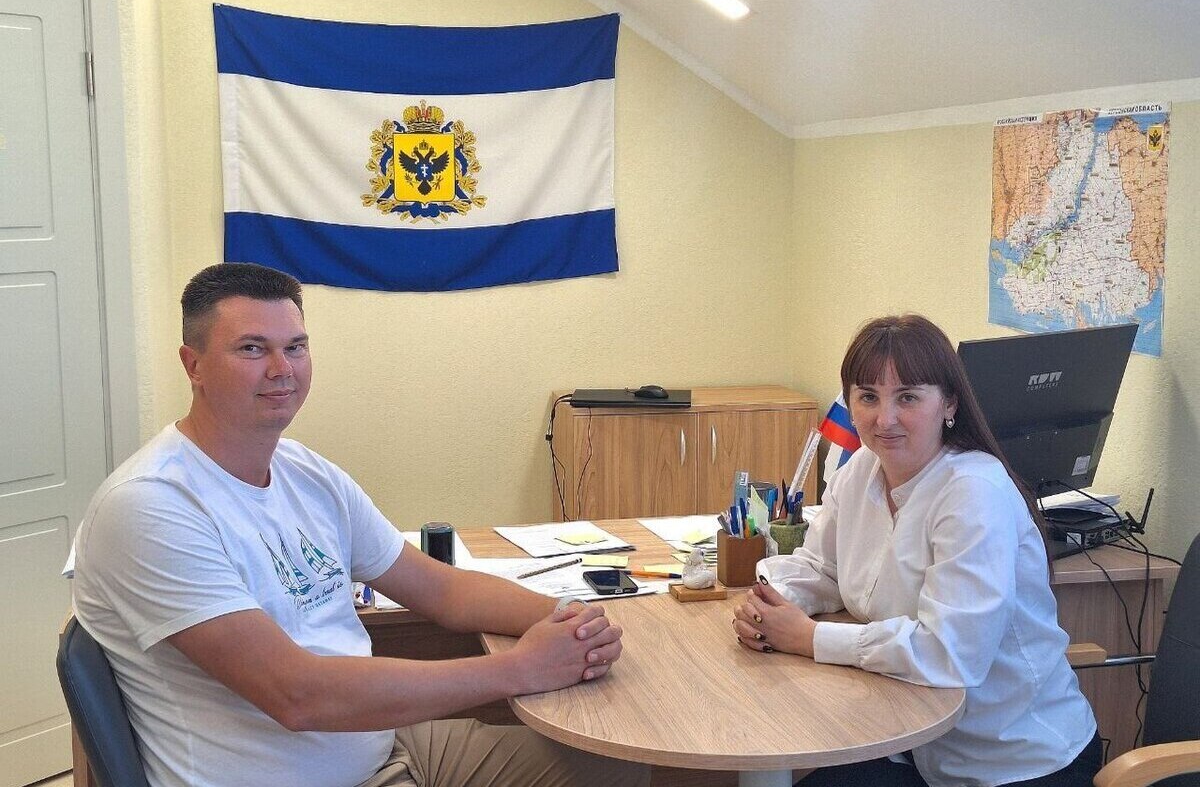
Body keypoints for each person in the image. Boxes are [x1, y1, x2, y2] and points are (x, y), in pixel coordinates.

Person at [72, 262, 649, 787]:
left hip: (381, 750)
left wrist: (572, 623)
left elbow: (442, 590)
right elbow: (296, 696)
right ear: (193, 364)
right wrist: (518, 669)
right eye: (252, 349)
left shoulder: (304, 471)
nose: (281, 369)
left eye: (295, 347)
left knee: (620, 766)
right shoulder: (150, 506)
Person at [733, 314, 1099, 787]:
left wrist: (809, 637)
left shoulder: (973, 491)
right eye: (868, 396)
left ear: (949, 403)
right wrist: (769, 605)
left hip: (1014, 763)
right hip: (911, 743)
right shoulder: (862, 469)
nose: (884, 419)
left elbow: (951, 653)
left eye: (907, 397)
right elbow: (824, 567)